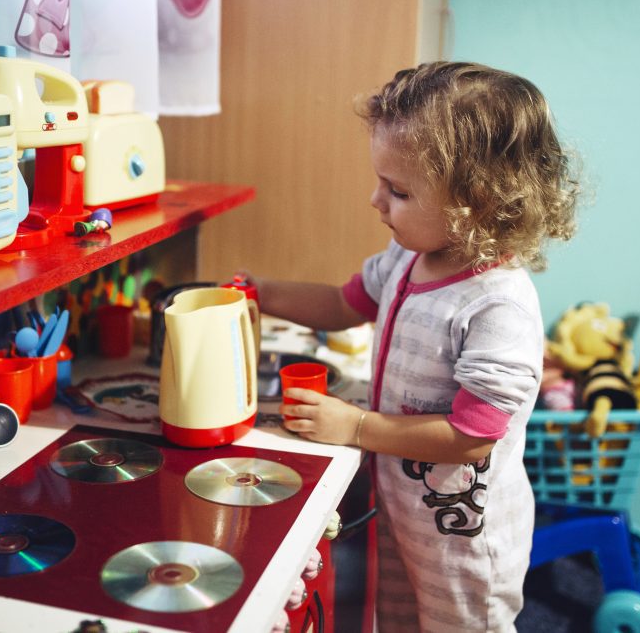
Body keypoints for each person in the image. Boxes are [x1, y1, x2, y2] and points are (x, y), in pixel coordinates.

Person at [243, 62, 580, 632]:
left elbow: (472, 438)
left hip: (465, 542)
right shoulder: (406, 258)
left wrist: (355, 427)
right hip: (405, 516)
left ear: (476, 202)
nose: (376, 200)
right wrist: (261, 291)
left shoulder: (498, 305)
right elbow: (342, 303)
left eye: (398, 190)